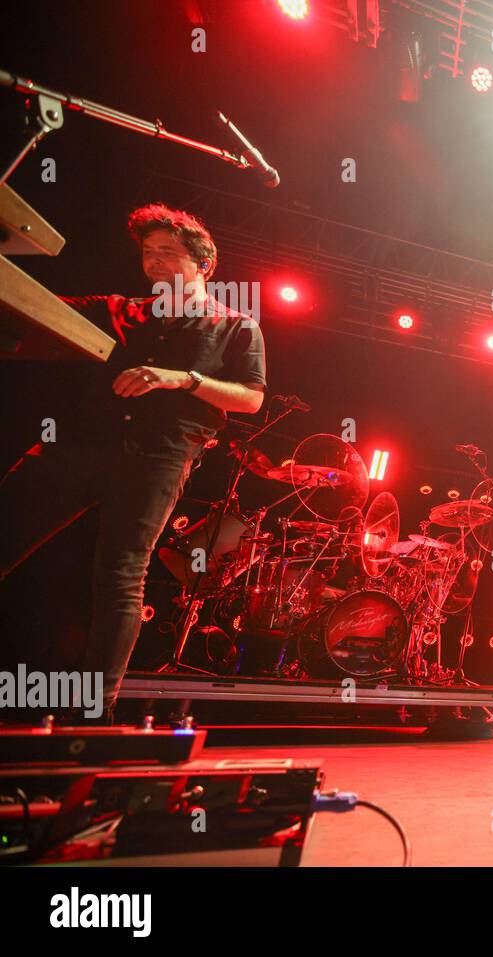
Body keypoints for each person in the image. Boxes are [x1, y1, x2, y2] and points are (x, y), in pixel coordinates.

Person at [0, 204, 267, 723]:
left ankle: (93, 716)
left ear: (203, 263)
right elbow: (29, 303)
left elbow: (251, 399)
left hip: (158, 457)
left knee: (121, 574)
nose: (155, 262)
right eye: (148, 253)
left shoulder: (236, 326)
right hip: (77, 444)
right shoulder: (119, 308)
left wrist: (182, 378)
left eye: (169, 252)